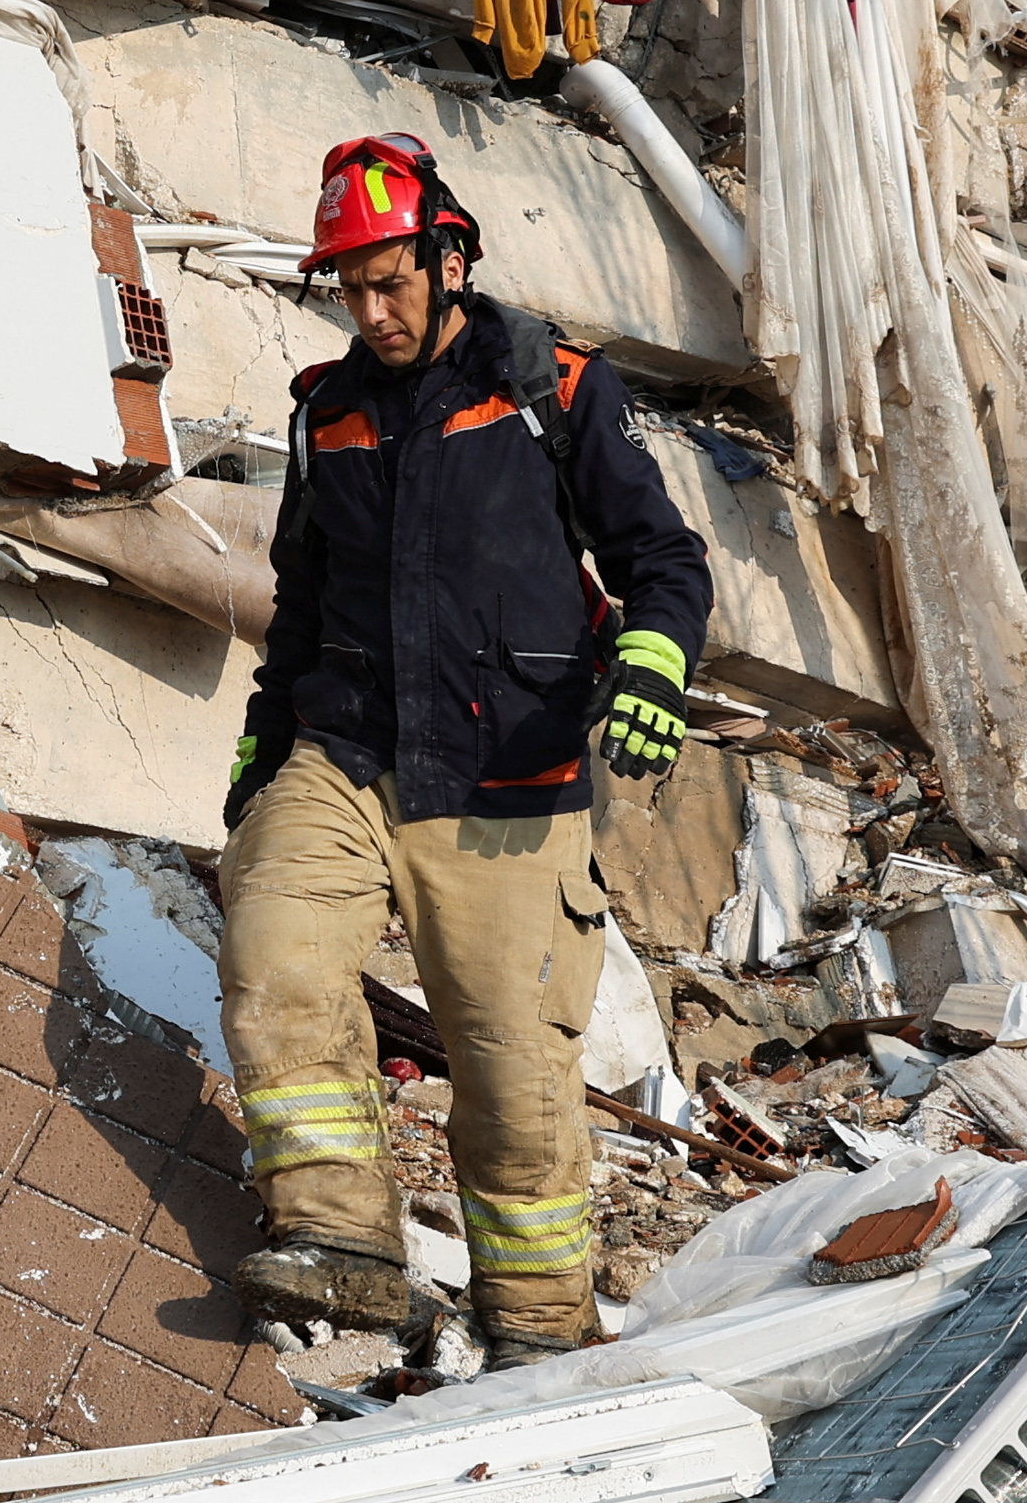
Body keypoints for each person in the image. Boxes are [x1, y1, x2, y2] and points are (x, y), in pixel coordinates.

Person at [218, 133, 712, 1364]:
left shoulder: (556, 389)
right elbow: (299, 597)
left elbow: (663, 561)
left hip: (511, 783)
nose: (370, 311)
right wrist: (262, 743)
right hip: (347, 756)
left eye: (388, 281)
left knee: (512, 1091)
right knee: (273, 959)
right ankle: (344, 1248)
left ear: (447, 257)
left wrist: (653, 659)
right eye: (349, 288)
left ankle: (538, 1334)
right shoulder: (323, 416)